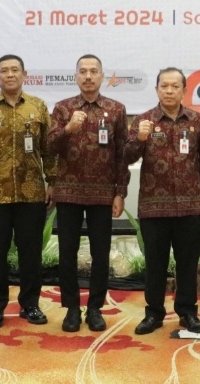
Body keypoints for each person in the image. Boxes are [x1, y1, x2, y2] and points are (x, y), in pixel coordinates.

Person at [0, 54, 57, 329]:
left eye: (15, 70)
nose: (10, 74)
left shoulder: (38, 107)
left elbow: (49, 148)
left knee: (31, 253)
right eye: (4, 71)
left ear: (25, 75)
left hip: (31, 193)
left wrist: (52, 181)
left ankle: (30, 304)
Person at [125, 67, 200, 335]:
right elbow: (126, 156)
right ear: (156, 89)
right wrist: (140, 139)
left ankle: (187, 313)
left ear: (184, 90)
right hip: (153, 207)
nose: (169, 91)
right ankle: (154, 314)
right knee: (155, 264)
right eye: (164, 86)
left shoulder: (198, 121)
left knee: (187, 262)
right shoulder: (143, 121)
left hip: (189, 207)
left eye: (175, 86)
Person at [47, 54, 129, 333]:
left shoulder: (116, 109)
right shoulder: (63, 108)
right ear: (76, 76)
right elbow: (49, 146)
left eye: (94, 71)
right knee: (67, 253)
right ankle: (71, 308)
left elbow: (122, 155)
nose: (88, 76)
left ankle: (95, 308)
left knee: (100, 253)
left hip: (103, 194)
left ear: (102, 76)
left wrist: (120, 192)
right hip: (68, 192)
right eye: (83, 71)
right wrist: (68, 128)